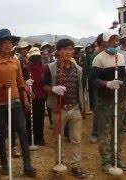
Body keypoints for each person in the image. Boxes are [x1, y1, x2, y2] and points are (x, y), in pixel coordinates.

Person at [0, 28, 36, 177]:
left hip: (16, 103)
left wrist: (25, 100)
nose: (7, 45)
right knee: (2, 135)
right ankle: (5, 167)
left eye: (10, 42)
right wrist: (0, 86)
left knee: (22, 133)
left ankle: (28, 166)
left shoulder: (16, 61)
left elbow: (20, 82)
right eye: (4, 42)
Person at [43, 39, 86, 179]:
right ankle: (59, 163)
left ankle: (76, 165)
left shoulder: (78, 68)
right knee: (58, 138)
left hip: (75, 108)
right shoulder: (50, 68)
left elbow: (81, 89)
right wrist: (54, 89)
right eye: (65, 49)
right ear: (59, 51)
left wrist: (83, 107)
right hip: (58, 109)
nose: (68, 52)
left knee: (76, 139)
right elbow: (44, 86)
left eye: (71, 49)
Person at [92, 30, 126, 174]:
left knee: (119, 130)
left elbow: (122, 77)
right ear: (105, 42)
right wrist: (107, 84)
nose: (115, 42)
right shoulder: (98, 58)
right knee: (105, 131)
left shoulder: (121, 57)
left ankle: (117, 159)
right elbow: (93, 81)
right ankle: (106, 161)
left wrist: (124, 78)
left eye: (116, 39)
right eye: (111, 40)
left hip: (120, 99)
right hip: (105, 100)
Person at [26, 47, 47, 145]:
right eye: (33, 57)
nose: (35, 59)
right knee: (30, 118)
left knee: (40, 117)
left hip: (41, 96)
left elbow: (46, 82)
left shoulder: (44, 68)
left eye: (37, 57)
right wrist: (28, 89)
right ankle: (30, 138)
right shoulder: (26, 68)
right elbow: (23, 82)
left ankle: (40, 137)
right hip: (30, 96)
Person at [89, 33, 105, 144]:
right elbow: (92, 76)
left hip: (109, 85)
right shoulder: (94, 56)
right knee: (98, 110)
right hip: (97, 86)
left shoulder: (112, 54)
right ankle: (95, 133)